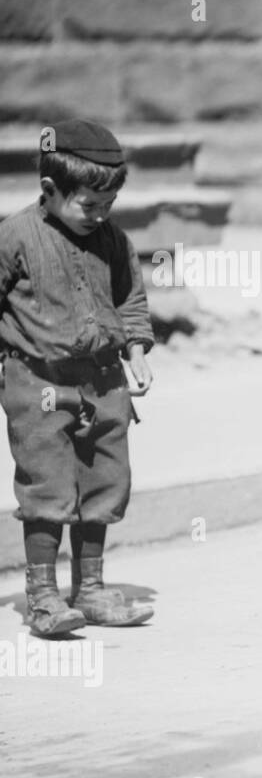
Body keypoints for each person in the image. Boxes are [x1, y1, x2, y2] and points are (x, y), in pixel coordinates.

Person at [0, 118, 156, 637]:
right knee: (47, 483)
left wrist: (136, 350)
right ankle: (43, 597)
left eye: (109, 204)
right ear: (49, 190)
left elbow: (130, 299)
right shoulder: (14, 236)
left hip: (105, 381)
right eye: (89, 205)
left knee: (104, 481)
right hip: (37, 381)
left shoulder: (113, 239)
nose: (100, 214)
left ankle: (90, 588)